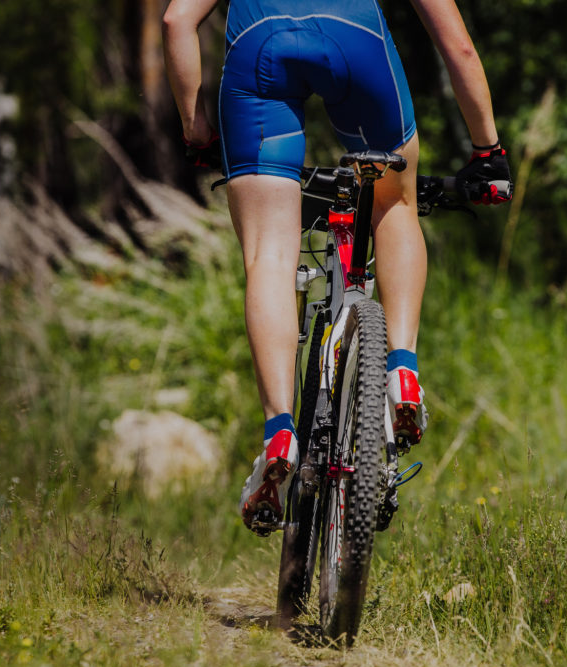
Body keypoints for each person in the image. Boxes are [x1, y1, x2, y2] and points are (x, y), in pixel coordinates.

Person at [162, 0, 512, 535]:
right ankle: (401, 368)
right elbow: (456, 43)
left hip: (259, 50)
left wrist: (196, 130)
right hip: (356, 41)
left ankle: (280, 431)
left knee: (270, 256)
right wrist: (488, 150)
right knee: (394, 203)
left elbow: (176, 20)